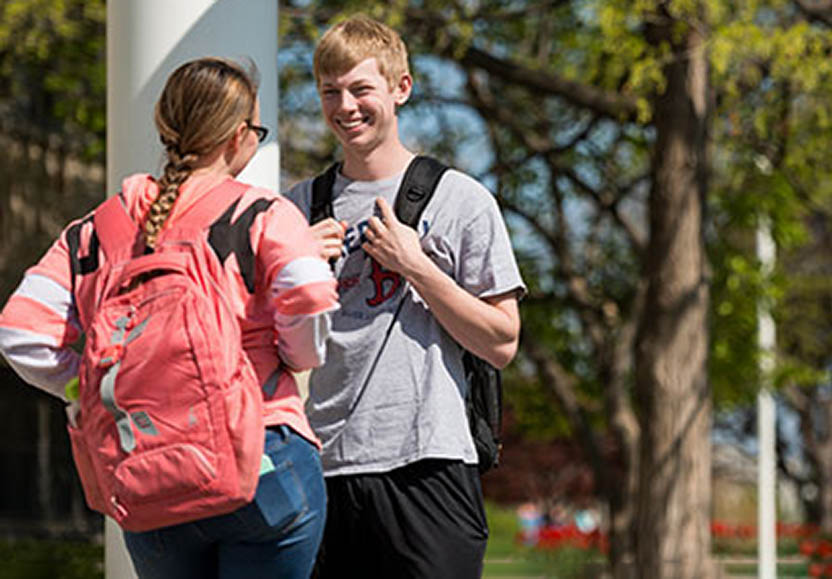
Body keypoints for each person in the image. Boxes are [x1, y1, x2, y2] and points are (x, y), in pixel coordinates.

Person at [0, 57, 338, 579]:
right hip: (263, 455)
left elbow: (20, 332)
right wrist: (296, 356)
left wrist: (91, 385)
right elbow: (310, 294)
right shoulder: (261, 213)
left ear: (165, 127)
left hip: (147, 468)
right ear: (238, 136)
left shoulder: (93, 231)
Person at [285, 15, 526, 579]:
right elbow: (266, 345)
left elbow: (503, 341)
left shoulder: (461, 200)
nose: (345, 106)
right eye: (330, 92)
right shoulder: (296, 208)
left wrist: (415, 265)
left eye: (361, 89)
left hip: (428, 468)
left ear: (401, 89)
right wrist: (297, 278)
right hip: (322, 470)